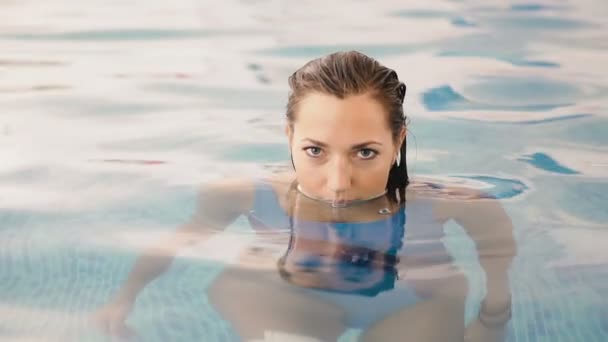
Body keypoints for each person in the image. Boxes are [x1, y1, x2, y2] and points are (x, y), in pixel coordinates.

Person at [94, 51, 516, 342]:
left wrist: (493, 316)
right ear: (290, 136)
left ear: (398, 141)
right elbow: (180, 240)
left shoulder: (440, 202)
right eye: (315, 151)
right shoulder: (242, 194)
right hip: (295, 301)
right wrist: (123, 299)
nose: (337, 182)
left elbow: (490, 226)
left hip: (411, 306)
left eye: (365, 152)